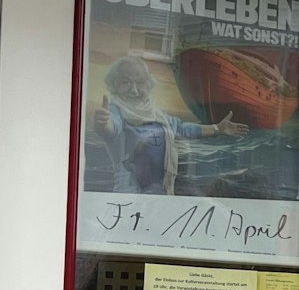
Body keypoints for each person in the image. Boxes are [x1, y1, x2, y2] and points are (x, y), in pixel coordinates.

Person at [90, 56, 248, 195]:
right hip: (130, 195)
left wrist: (217, 129)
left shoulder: (157, 115)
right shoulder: (115, 111)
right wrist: (103, 124)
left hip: (162, 194)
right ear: (114, 84)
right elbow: (112, 129)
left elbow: (181, 128)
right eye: (126, 82)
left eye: (140, 83)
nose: (134, 90)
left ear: (149, 85)